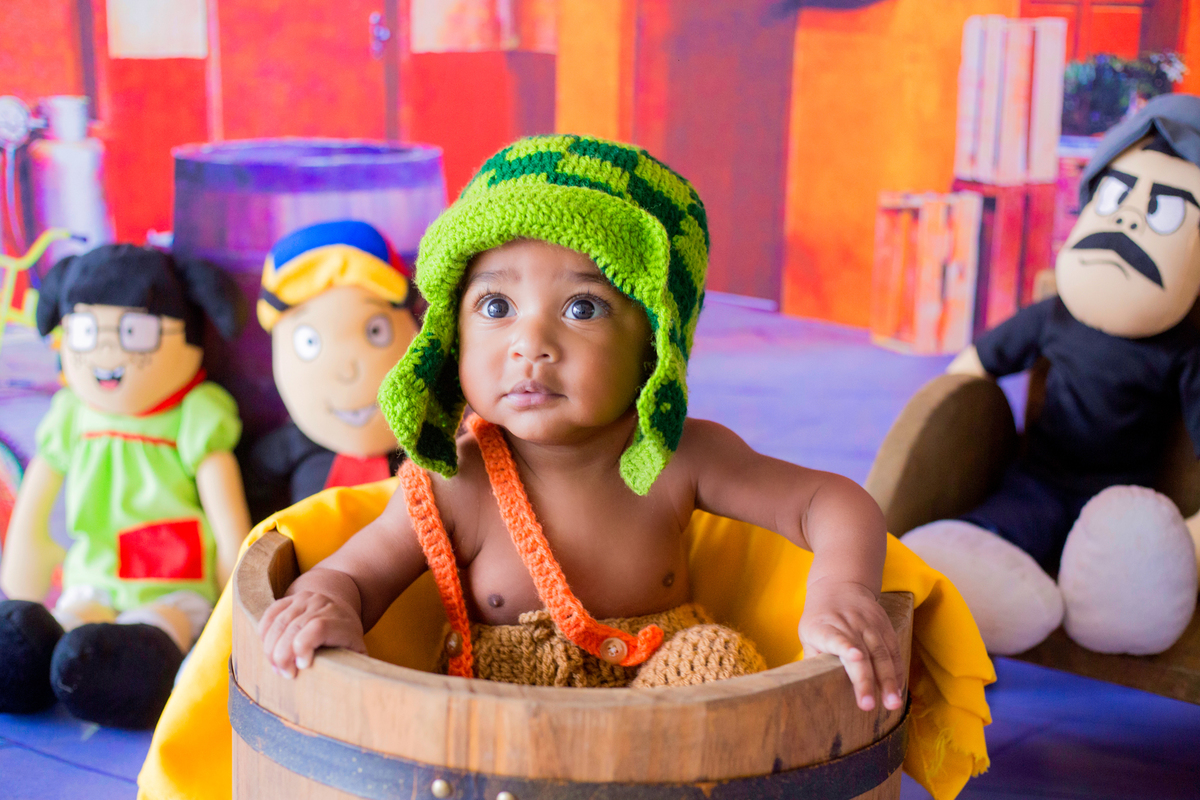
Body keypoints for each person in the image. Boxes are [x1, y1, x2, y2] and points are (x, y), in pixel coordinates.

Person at [258, 135, 903, 709]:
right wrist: (328, 604)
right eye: (496, 305)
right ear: (453, 332)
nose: (530, 344)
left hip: (669, 722)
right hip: (505, 732)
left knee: (718, 657)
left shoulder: (680, 458)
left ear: (654, 345)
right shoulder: (458, 482)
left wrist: (842, 592)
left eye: (583, 308)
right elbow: (352, 575)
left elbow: (830, 501)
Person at [904, 93, 1200, 657]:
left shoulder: (1184, 348)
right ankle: (982, 574)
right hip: (1038, 478)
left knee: (1129, 543)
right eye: (1116, 198)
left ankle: (1120, 596)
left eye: (1163, 211)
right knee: (994, 530)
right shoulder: (1056, 315)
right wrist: (945, 425)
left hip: (1122, 497)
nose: (1129, 218)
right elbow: (978, 365)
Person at [0, 244, 250, 728]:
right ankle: (36, 661)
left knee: (151, 630)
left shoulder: (195, 416)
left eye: (135, 333)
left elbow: (228, 522)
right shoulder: (72, 415)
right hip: (93, 574)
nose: (106, 352)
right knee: (67, 628)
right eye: (85, 332)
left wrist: (234, 597)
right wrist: (22, 572)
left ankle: (139, 658)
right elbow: (35, 504)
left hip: (171, 583)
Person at [247, 220, 419, 518]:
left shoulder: (426, 442)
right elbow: (254, 480)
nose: (347, 371)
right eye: (308, 343)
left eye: (376, 331)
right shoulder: (295, 444)